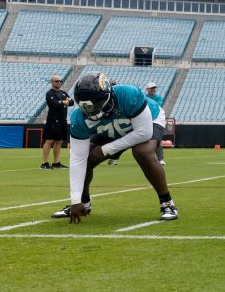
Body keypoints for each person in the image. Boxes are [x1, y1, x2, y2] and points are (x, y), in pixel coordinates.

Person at [49, 71, 178, 223]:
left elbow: (143, 133)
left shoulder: (128, 94)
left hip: (147, 120)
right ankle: (84, 203)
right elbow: (77, 159)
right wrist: (75, 199)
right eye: (85, 107)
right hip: (112, 124)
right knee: (87, 157)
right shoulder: (79, 118)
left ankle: (167, 203)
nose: (90, 111)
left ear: (106, 96)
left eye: (94, 104)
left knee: (142, 151)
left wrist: (106, 150)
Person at [41, 74, 72, 169]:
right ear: (52, 82)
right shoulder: (50, 93)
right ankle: (44, 163)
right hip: (53, 120)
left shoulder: (63, 93)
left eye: (60, 81)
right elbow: (54, 104)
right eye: (57, 81)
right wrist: (64, 102)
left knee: (59, 141)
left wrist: (64, 102)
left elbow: (72, 102)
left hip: (63, 120)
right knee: (49, 141)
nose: (59, 82)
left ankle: (56, 162)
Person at [145, 81, 167, 165]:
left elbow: (156, 106)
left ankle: (160, 159)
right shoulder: (144, 97)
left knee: (157, 140)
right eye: (152, 88)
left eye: (154, 88)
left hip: (155, 120)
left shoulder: (158, 98)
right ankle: (147, 157)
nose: (153, 89)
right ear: (147, 89)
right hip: (146, 120)